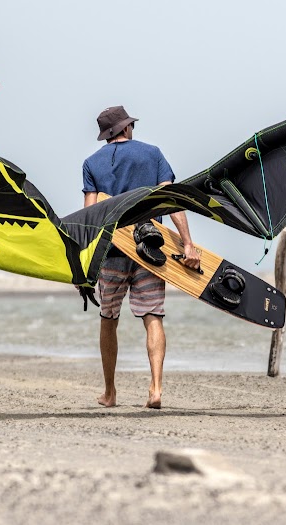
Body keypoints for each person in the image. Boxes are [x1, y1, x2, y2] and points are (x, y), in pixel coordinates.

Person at [83, 105, 200, 409]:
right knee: (153, 316)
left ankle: (110, 393)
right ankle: (156, 388)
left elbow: (89, 216)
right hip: (151, 251)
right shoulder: (153, 154)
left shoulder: (91, 164)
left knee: (109, 318)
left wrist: (84, 264)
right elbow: (172, 200)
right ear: (125, 128)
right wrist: (188, 243)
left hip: (111, 252)